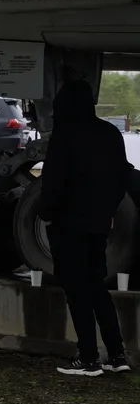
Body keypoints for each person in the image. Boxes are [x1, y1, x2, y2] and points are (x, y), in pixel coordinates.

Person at [39, 79, 132, 377]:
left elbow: (52, 182)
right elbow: (121, 176)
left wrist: (47, 213)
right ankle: (117, 355)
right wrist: (106, 212)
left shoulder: (64, 136)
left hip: (68, 226)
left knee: (76, 292)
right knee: (96, 288)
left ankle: (88, 357)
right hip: (98, 225)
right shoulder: (109, 133)